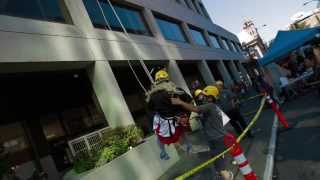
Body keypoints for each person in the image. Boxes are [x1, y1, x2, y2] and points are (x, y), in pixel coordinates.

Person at [171, 86, 233, 180]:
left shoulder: (210, 105)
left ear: (211, 97)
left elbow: (195, 109)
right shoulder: (214, 106)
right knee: (216, 158)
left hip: (216, 138)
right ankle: (222, 175)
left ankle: (227, 176)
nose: (202, 97)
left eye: (204, 95)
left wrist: (180, 102)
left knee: (219, 161)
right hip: (216, 137)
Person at [146, 69, 193, 160]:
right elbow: (190, 101)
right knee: (178, 132)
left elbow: (150, 111)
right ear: (168, 80)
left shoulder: (153, 96)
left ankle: (165, 151)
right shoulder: (175, 90)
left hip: (172, 120)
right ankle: (187, 146)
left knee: (161, 136)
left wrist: (185, 115)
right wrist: (186, 115)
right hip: (173, 120)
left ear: (156, 82)